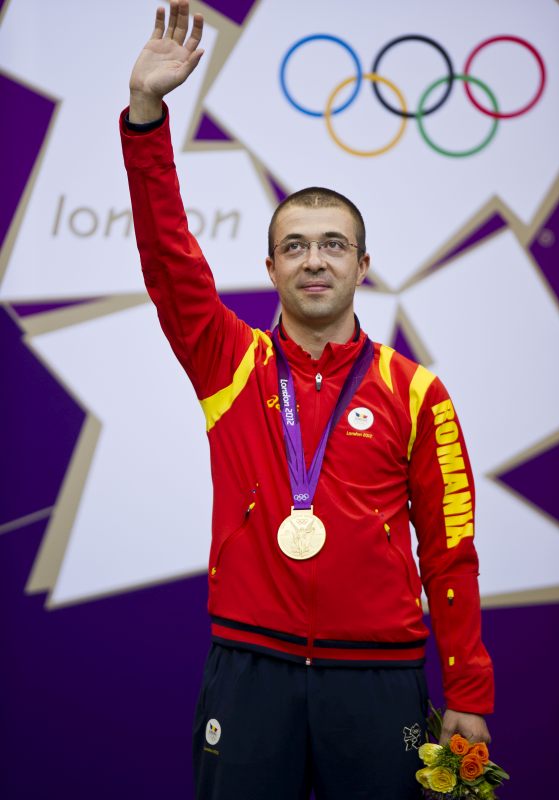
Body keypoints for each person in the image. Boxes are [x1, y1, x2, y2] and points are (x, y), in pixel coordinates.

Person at [121, 3, 493, 798]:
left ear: (363, 265)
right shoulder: (229, 364)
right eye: (294, 246)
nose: (313, 261)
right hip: (250, 668)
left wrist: (466, 688)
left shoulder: (416, 392)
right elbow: (167, 255)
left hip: (379, 677)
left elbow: (449, 548)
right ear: (271, 268)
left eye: (332, 245)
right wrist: (146, 117)